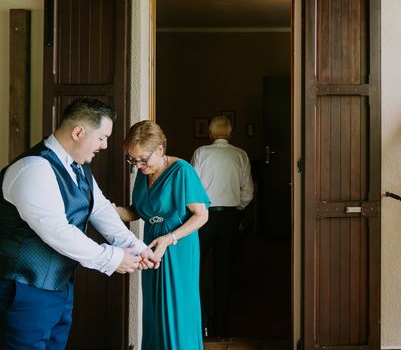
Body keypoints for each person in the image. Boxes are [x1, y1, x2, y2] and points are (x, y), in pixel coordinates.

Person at [0, 97, 157, 350]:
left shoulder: (79, 168)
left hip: (60, 288)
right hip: (24, 290)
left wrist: (136, 246)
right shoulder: (33, 169)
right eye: (102, 137)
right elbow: (58, 232)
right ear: (78, 132)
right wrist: (113, 258)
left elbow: (101, 209)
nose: (105, 145)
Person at [114, 120, 210, 350]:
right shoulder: (144, 172)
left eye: (142, 159)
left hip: (178, 248)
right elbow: (137, 211)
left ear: (160, 149)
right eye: (132, 159)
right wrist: (109, 211)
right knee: (155, 311)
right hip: (152, 248)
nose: (138, 165)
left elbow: (201, 215)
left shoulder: (182, 171)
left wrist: (169, 239)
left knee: (177, 309)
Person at [192, 115, 254, 339]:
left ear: (210, 134)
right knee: (223, 273)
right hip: (229, 218)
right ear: (230, 134)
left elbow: (192, 187)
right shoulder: (240, 154)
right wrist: (237, 208)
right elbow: (247, 193)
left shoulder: (201, 153)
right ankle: (222, 329)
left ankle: (200, 322)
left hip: (203, 218)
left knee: (195, 270)